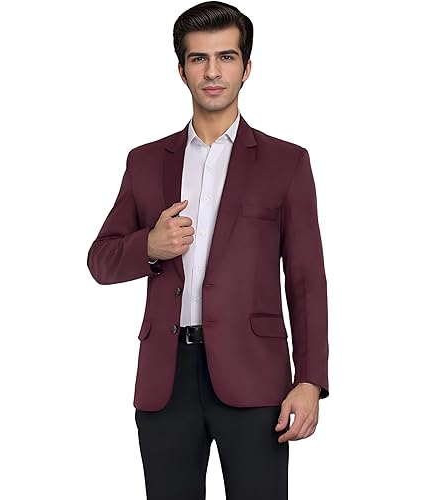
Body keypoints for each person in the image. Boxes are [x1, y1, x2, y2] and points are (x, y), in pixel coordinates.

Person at [87, 2, 329, 499]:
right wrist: (149, 245)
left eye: (226, 57)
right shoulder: (145, 161)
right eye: (199, 59)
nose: (213, 71)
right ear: (182, 70)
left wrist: (310, 379)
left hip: (256, 376)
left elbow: (306, 279)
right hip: (166, 378)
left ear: (246, 67)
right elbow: (101, 260)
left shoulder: (286, 162)